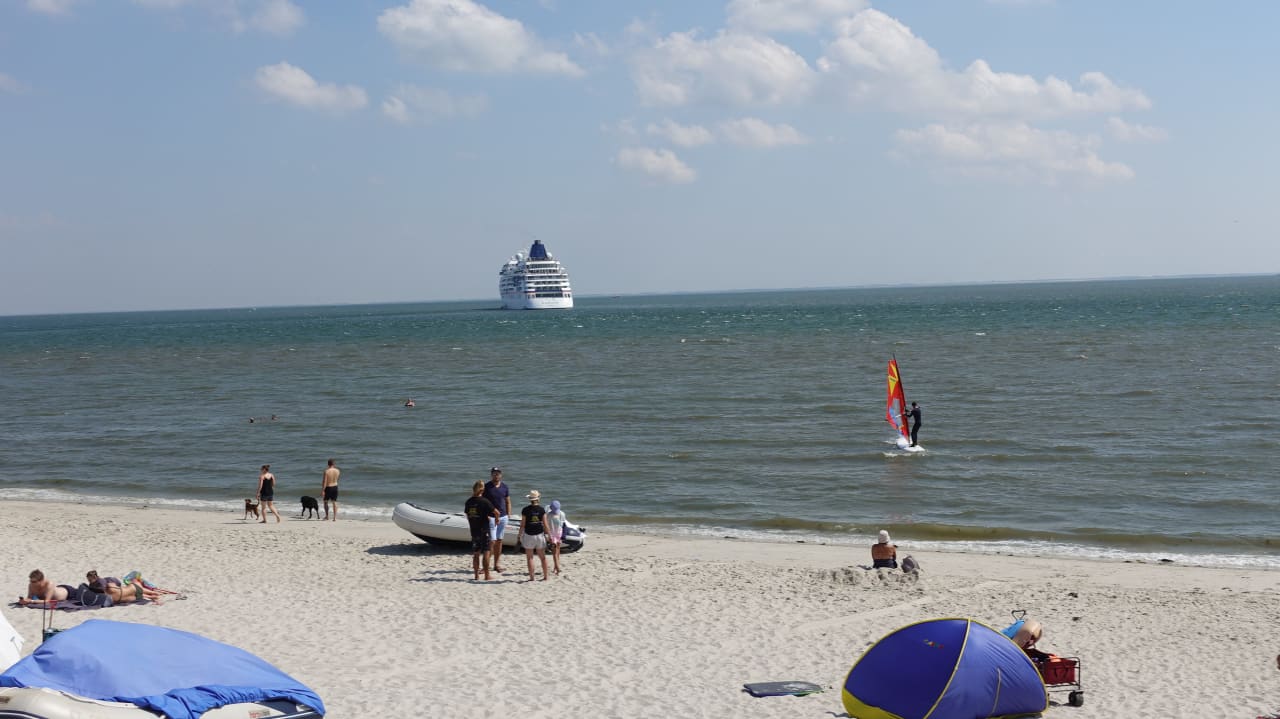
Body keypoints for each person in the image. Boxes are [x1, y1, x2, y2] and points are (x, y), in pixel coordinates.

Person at [464, 481, 500, 581]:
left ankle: (476, 575)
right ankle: (487, 575)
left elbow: (468, 515)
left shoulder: (469, 501)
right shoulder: (484, 501)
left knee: (476, 553)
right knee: (486, 552)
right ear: (482, 490)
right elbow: (496, 512)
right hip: (484, 530)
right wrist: (497, 519)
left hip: (474, 530)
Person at [483, 467, 512, 573]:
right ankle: (485, 566)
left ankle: (496, 565)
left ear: (501, 475)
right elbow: (483, 502)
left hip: (503, 517)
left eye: (498, 474)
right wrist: (485, 515)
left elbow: (508, 501)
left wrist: (508, 514)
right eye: (494, 474)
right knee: (492, 541)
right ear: (491, 475)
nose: (496, 475)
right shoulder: (486, 487)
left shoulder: (505, 487)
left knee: (499, 541)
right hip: (491, 518)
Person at [518, 490, 549, 582]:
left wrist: (519, 535)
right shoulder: (542, 510)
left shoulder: (525, 510)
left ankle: (532, 577)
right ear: (538, 498)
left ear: (530, 499)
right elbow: (546, 525)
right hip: (539, 535)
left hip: (529, 535)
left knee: (530, 557)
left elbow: (522, 525)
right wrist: (549, 536)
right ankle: (546, 576)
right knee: (542, 557)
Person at [86, 570, 163, 604]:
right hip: (132, 592)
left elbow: (104, 590)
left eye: (90, 579)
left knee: (152, 594)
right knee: (149, 595)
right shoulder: (98, 584)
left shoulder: (102, 582)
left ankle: (159, 594)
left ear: (95, 577)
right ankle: (157, 596)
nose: (89, 581)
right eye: (88, 579)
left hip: (133, 588)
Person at [545, 499, 566, 576]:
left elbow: (546, 525)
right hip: (559, 534)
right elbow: (562, 525)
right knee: (557, 552)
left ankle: (557, 568)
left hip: (552, 535)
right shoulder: (562, 514)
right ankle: (555, 568)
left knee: (554, 553)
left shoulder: (548, 515)